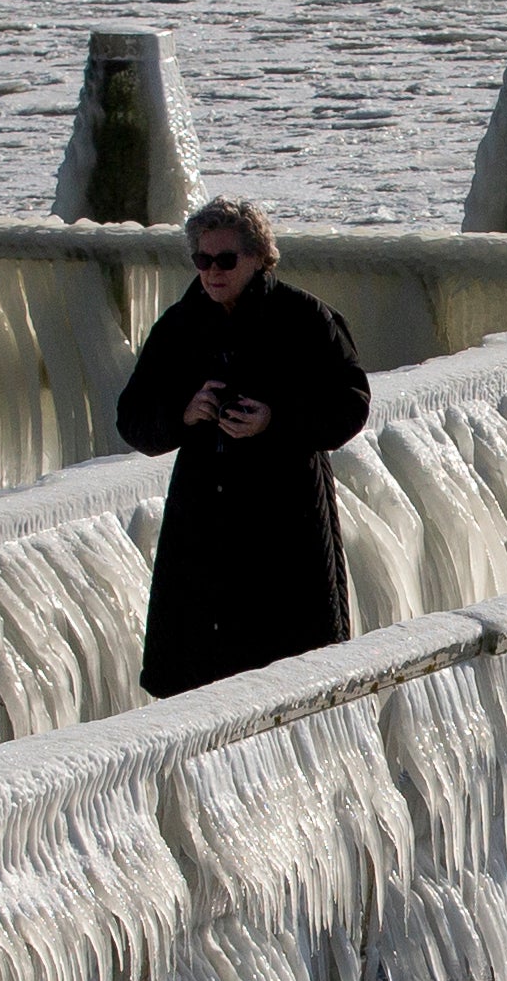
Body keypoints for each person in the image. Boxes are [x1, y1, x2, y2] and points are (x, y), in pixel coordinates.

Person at [114, 197, 373, 696]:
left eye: (225, 260)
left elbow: (350, 405)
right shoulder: (180, 324)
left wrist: (274, 420)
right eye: (202, 260)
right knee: (198, 678)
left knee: (291, 672)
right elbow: (132, 417)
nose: (212, 272)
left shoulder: (305, 319)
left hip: (286, 522)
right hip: (203, 525)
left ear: (259, 257)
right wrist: (184, 412)